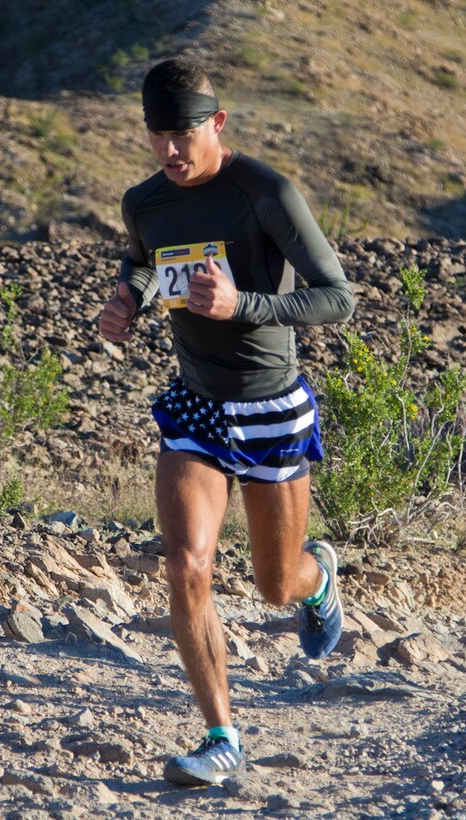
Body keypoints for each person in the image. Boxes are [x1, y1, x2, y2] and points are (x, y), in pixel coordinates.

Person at [98, 57, 354, 786]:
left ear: (218, 124)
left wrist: (243, 305)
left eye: (184, 135)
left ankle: (318, 580)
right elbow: (144, 263)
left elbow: (338, 298)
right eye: (157, 137)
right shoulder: (144, 201)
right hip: (195, 406)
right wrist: (129, 299)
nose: (171, 152)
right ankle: (221, 736)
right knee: (186, 564)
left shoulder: (266, 194)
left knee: (276, 585)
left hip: (272, 406)